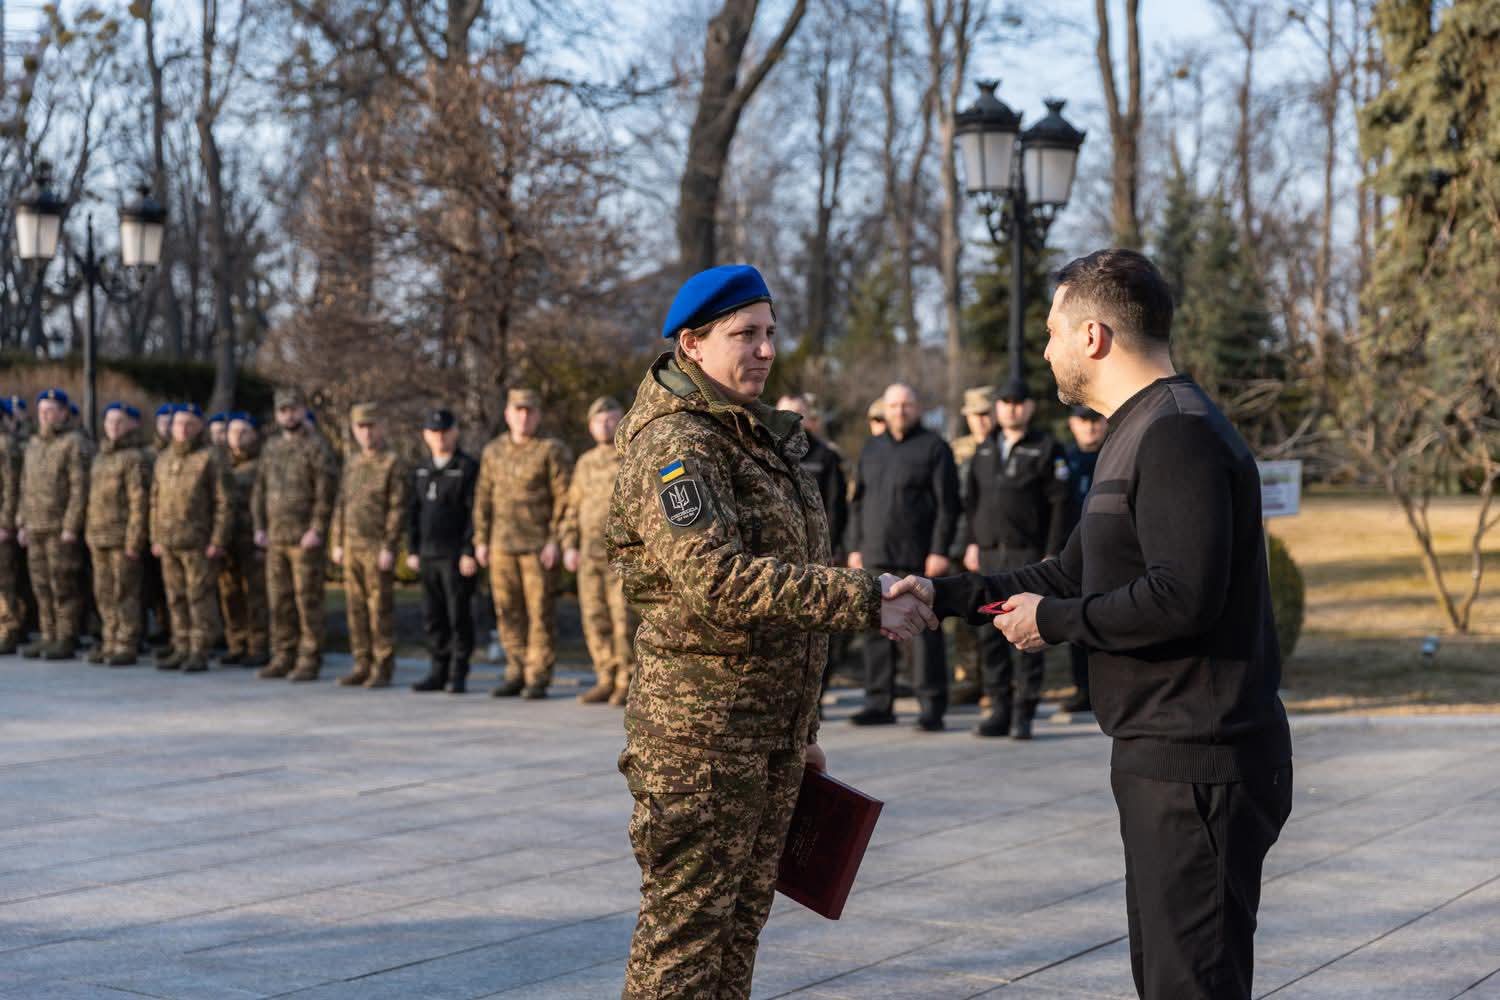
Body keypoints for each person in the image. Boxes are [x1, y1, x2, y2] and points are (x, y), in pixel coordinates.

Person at [889, 249, 1293, 1000]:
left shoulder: (1179, 432)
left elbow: (1184, 596)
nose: (1045, 350)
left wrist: (1058, 623)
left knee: (1190, 987)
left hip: (1200, 760)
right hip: (1157, 755)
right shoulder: (1132, 433)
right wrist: (942, 597)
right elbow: (1067, 575)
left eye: (1052, 331)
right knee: (1167, 979)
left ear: (1095, 336)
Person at [606, 264, 935, 1000]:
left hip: (762, 734)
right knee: (683, 950)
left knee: (734, 939)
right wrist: (864, 598)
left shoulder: (750, 435)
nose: (764, 350)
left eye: (770, 334)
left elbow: (782, 583)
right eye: (744, 335)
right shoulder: (677, 444)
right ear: (691, 344)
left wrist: (796, 727)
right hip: (702, 742)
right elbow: (719, 579)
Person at [960, 375, 1069, 739]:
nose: (1012, 408)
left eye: (1019, 402)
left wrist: (1051, 554)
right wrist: (972, 543)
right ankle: (999, 711)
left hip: (1028, 557)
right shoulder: (985, 448)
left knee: (1027, 635)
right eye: (1005, 402)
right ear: (997, 408)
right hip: (990, 556)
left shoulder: (1046, 448)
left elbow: (1060, 505)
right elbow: (972, 502)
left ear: (1030, 407)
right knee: (991, 636)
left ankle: (1024, 713)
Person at [845, 382, 959, 730]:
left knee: (924, 633)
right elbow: (858, 503)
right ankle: (879, 702)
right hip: (876, 553)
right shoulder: (871, 449)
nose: (899, 411)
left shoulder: (935, 448)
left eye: (906, 405)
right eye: (893, 406)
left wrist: (940, 550)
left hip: (918, 556)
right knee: (875, 629)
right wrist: (854, 546)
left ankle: (931, 707)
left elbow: (948, 506)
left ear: (917, 408)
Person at [473, 388, 573, 699]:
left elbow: (564, 499)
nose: (524, 416)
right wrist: (481, 539)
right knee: (507, 611)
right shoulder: (493, 451)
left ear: (538, 415)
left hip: (537, 547)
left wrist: (556, 540)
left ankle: (538, 676)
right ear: (507, 414)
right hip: (501, 545)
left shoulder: (549, 450)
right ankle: (515, 670)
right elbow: (483, 498)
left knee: (539, 613)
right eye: (518, 410)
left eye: (530, 411)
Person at [252, 386, 338, 681]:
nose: (289, 415)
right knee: (279, 601)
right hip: (276, 537)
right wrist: (259, 526)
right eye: (283, 410)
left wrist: (317, 528)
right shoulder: (271, 447)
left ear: (303, 410)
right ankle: (283, 654)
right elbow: (259, 490)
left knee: (307, 601)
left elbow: (326, 492)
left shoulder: (317, 447)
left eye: (293, 409)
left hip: (304, 538)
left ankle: (309, 658)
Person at [561, 396, 635, 705]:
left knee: (623, 619)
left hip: (622, 554)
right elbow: (571, 508)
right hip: (589, 554)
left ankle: (627, 680)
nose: (605, 424)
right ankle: (605, 676)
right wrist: (568, 544)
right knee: (594, 617)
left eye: (611, 417)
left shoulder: (631, 456)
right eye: (599, 420)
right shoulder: (584, 462)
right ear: (591, 426)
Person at [329, 402, 409, 689]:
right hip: (352, 546)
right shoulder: (351, 463)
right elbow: (341, 504)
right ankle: (361, 663)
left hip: (376, 547)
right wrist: (336, 541)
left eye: (372, 426)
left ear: (382, 427)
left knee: (380, 610)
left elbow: (397, 508)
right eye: (361, 427)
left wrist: (389, 546)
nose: (367, 433)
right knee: (356, 608)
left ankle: (382, 665)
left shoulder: (392, 463)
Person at [150, 404, 232, 673]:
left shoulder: (210, 457)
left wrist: (218, 539)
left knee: (199, 596)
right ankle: (181, 644)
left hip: (198, 540)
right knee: (175, 597)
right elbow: (154, 500)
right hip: (169, 539)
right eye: (178, 424)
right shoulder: (163, 458)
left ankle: (200, 648)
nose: (182, 430)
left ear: (199, 427)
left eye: (189, 424)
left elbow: (223, 501)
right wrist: (156, 536)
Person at [408, 408, 481, 694]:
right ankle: (437, 670)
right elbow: (412, 512)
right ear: (426, 435)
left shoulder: (467, 468)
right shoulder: (421, 470)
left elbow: (475, 513)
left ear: (455, 432)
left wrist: (469, 550)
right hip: (427, 554)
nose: (439, 437)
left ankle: (458, 672)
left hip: (455, 557)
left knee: (458, 615)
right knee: (433, 616)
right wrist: (412, 549)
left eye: (444, 431)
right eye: (433, 432)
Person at [17, 389, 88, 660]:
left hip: (59, 527)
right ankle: (48, 634)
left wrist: (71, 525)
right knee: (41, 585)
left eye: (52, 410)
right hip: (35, 525)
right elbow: (25, 485)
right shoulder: (34, 444)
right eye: (42, 410)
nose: (46, 415)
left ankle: (66, 635)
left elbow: (79, 488)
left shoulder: (73, 443)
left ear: (64, 412)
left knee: (63, 584)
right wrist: (22, 522)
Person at [84, 402, 150, 666]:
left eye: (119, 422)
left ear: (131, 425)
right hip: (99, 536)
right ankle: (109, 638)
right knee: (104, 592)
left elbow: (139, 502)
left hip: (122, 538)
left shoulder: (134, 458)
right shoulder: (100, 457)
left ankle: (126, 642)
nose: (113, 427)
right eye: (109, 422)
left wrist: (135, 539)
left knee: (125, 592)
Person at [948, 385, 997, 706]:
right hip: (957, 538)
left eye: (985, 414)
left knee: (993, 612)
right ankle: (968, 677)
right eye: (974, 415)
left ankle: (995, 683)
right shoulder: (956, 450)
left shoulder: (1002, 446)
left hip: (990, 540)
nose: (980, 421)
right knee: (962, 618)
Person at [1059, 404, 1106, 716]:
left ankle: (1104, 688)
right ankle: (1082, 688)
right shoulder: (1063, 459)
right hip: (1072, 553)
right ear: (1072, 423)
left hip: (1108, 551)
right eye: (1083, 421)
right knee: (1076, 621)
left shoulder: (1117, 453)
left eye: (1095, 420)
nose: (1090, 428)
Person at [218, 412, 268, 667]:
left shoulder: (263, 464)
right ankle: (236, 642)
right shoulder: (222, 464)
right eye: (232, 432)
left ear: (254, 434)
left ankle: (258, 645)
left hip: (252, 537)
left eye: (243, 431)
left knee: (255, 594)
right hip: (228, 539)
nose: (237, 437)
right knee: (230, 593)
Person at [0, 398, 26, 654]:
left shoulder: (5, 445)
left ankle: (7, 630)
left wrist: (6, 522)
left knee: (4, 581)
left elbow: (11, 487)